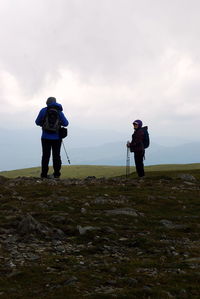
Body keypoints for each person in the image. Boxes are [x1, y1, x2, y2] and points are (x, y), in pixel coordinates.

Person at [35, 97, 69, 179]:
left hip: (45, 137)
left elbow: (37, 122)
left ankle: (44, 175)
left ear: (47, 103)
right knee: (56, 156)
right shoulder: (59, 111)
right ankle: (56, 174)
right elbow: (66, 123)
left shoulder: (43, 110)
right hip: (57, 138)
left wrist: (43, 124)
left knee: (45, 156)